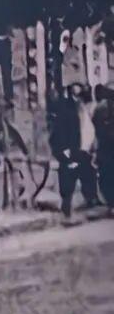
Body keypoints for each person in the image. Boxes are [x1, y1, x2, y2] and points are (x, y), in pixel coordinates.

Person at [48, 81, 99, 219]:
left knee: (86, 173)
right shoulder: (66, 107)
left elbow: (86, 127)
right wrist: (64, 149)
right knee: (68, 177)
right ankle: (67, 207)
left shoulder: (81, 106)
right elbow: (60, 130)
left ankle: (89, 200)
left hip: (82, 148)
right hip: (70, 148)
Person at [93, 83, 114, 214]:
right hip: (106, 147)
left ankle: (111, 204)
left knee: (106, 176)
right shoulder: (101, 108)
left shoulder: (99, 108)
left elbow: (95, 127)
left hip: (105, 147)